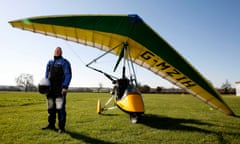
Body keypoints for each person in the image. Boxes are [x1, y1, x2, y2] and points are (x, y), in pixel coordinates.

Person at [42, 47, 72, 133]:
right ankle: (51, 125)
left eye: (58, 51)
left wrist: (65, 87)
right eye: (55, 51)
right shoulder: (49, 62)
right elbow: (46, 75)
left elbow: (68, 75)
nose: (57, 52)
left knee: (60, 109)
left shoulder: (65, 62)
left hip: (60, 90)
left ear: (61, 52)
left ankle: (61, 128)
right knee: (51, 107)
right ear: (54, 52)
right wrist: (45, 86)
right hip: (50, 90)